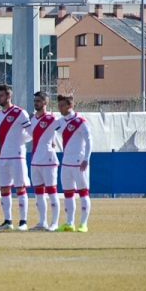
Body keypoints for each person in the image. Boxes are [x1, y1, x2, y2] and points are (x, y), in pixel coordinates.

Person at [0, 84, 32, 231]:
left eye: (1, 95)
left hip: (17, 156)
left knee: (20, 188)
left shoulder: (20, 113)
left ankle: (23, 222)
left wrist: (20, 140)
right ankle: (7, 221)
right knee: (4, 189)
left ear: (9, 96)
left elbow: (30, 133)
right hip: (2, 156)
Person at [56, 94, 92, 232]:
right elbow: (49, 129)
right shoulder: (61, 122)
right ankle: (69, 223)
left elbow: (89, 140)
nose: (60, 108)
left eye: (63, 106)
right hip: (66, 163)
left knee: (83, 192)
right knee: (68, 193)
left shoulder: (80, 121)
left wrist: (86, 159)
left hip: (79, 163)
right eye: (59, 106)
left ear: (70, 105)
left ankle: (83, 224)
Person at [29, 91, 61, 231]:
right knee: (38, 193)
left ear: (45, 103)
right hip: (35, 160)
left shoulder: (51, 119)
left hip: (49, 160)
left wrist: (54, 142)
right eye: (35, 100)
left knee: (52, 192)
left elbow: (62, 132)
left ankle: (54, 223)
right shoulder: (32, 119)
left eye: (39, 101)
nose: (36, 103)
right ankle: (42, 222)